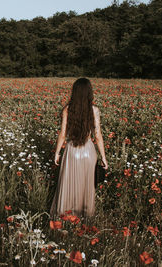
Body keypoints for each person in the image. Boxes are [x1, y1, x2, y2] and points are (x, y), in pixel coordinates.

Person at [50, 77, 108, 218]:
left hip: (71, 151)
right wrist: (104, 158)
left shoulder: (67, 109)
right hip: (88, 151)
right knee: (86, 186)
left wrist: (57, 152)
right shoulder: (94, 110)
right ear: (89, 92)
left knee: (68, 185)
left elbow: (63, 135)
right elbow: (98, 136)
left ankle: (65, 218)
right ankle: (84, 218)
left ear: (74, 92)